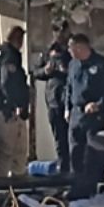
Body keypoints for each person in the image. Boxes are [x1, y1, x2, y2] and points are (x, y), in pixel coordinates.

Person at [0, 26, 31, 179]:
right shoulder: (10, 55)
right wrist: (15, 104)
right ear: (18, 39)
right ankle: (7, 185)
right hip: (4, 106)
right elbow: (7, 80)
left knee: (10, 147)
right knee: (11, 149)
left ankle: (8, 183)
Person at [65, 33, 104, 174]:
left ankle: (92, 186)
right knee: (75, 151)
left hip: (93, 116)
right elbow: (69, 87)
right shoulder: (72, 65)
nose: (69, 51)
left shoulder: (100, 64)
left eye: (71, 48)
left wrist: (99, 104)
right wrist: (67, 108)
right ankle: (76, 186)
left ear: (80, 47)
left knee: (92, 153)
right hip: (76, 115)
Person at [34, 33, 72, 170]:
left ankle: (75, 168)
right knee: (59, 137)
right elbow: (35, 72)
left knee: (73, 137)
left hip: (70, 101)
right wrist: (46, 71)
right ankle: (63, 166)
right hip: (53, 100)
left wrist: (66, 71)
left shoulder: (72, 51)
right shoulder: (48, 52)